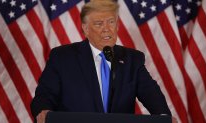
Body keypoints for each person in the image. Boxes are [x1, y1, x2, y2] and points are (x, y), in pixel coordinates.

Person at [31, 0, 173, 123]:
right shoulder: (63, 57)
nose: (107, 29)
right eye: (99, 24)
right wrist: (43, 111)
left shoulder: (132, 59)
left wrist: (164, 117)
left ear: (117, 25)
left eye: (111, 22)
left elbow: (151, 94)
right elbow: (44, 95)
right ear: (85, 29)